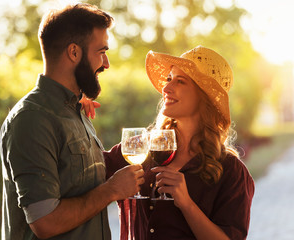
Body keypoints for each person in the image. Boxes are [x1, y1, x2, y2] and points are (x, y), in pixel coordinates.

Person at [0, 3, 145, 240]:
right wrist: (111, 190)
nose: (106, 63)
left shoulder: (76, 111)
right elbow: (44, 222)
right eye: (101, 52)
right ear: (74, 52)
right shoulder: (32, 119)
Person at [84, 46, 255, 239]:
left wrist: (186, 204)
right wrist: (75, 112)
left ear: (204, 96)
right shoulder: (142, 148)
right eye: (168, 79)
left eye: (180, 81)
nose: (166, 88)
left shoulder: (231, 172)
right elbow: (87, 170)